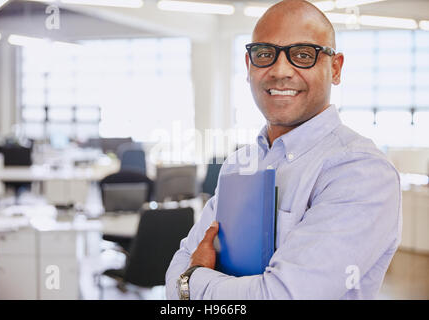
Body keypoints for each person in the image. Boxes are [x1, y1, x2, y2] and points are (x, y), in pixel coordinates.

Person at [165, 0, 402, 299]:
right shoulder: (240, 164)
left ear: (336, 68)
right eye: (265, 54)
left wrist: (192, 282)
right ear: (249, 67)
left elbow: (283, 296)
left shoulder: (360, 171)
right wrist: (187, 280)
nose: (280, 71)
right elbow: (178, 264)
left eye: (303, 55)